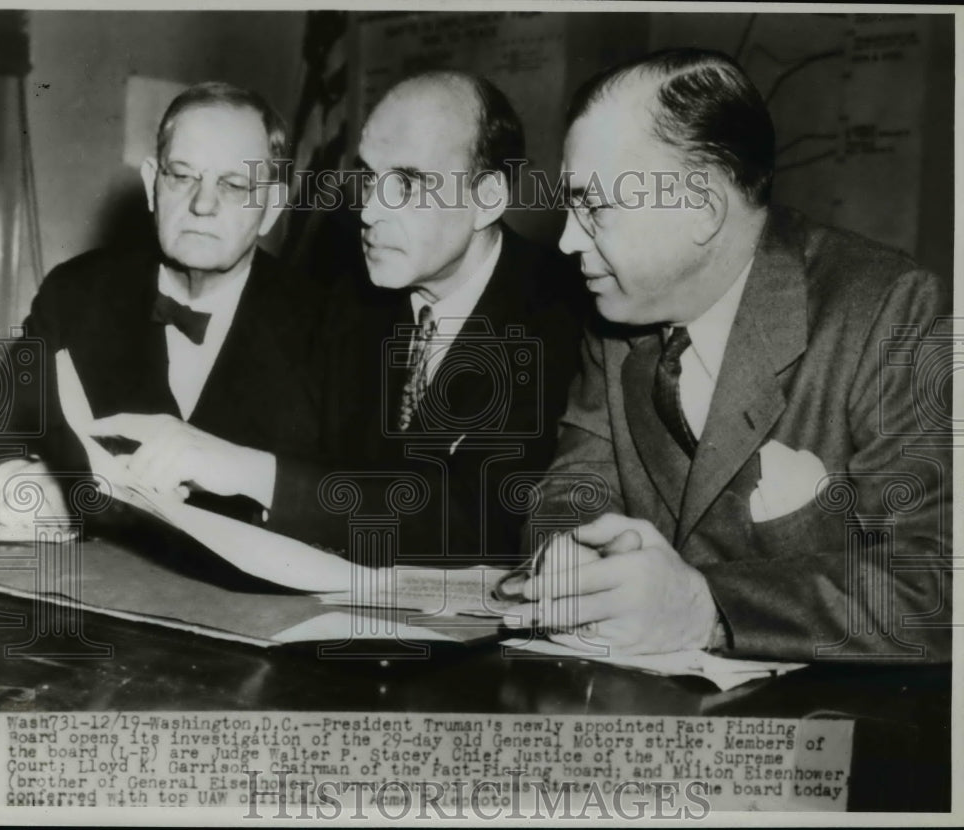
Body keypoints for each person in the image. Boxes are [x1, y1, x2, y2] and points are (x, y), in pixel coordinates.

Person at [501, 49, 951, 663]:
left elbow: (938, 582)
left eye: (595, 208)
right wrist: (571, 556)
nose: (567, 240)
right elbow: (575, 486)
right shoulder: (615, 316)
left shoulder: (892, 311)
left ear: (703, 209)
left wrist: (706, 607)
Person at [92, 70, 587, 567]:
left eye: (406, 183)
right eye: (368, 177)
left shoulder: (562, 317)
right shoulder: (351, 298)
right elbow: (284, 450)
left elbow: (481, 521)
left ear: (488, 197)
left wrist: (250, 472)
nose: (368, 211)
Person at [0, 82, 316, 527]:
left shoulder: (325, 321)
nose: (203, 204)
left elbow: (366, 495)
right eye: (182, 176)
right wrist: (30, 482)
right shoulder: (76, 294)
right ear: (153, 184)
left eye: (234, 184)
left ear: (272, 206)